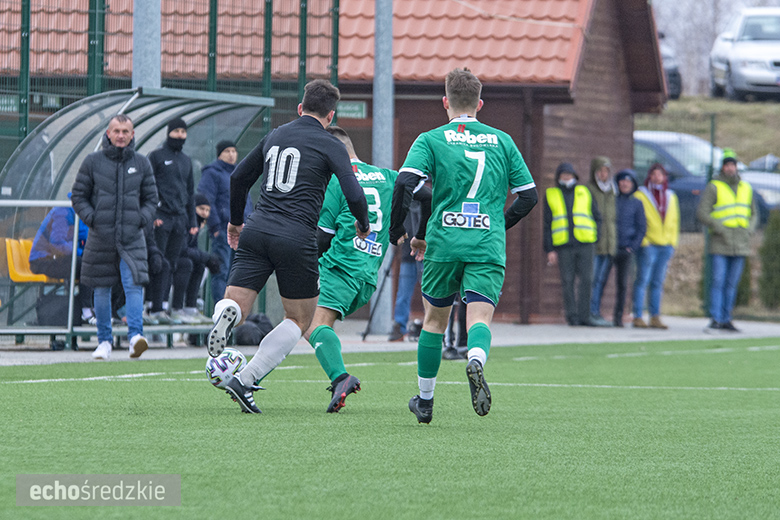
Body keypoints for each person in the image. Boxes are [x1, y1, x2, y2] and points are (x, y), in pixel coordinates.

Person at [207, 79, 371, 414]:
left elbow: (239, 177)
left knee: (238, 305)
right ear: (331, 115)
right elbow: (354, 193)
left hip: (257, 228)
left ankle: (228, 314)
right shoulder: (331, 144)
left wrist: (236, 221)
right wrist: (363, 223)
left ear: (300, 107)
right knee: (299, 319)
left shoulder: (276, 134)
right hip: (296, 237)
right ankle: (247, 378)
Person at [389, 68, 538, 424]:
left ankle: (425, 401)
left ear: (446, 102)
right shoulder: (502, 141)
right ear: (480, 104)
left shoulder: (431, 139)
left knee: (434, 321)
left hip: (444, 242)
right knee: (479, 316)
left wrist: (398, 229)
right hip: (486, 242)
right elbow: (528, 196)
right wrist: (500, 223)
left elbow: (405, 183)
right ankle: (475, 359)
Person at [303, 126, 430, 412]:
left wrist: (305, 264)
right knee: (310, 324)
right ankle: (252, 377)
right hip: (368, 277)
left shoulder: (338, 182)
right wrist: (415, 233)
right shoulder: (389, 176)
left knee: (311, 324)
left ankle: (340, 378)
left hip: (340, 267)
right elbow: (427, 196)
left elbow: (322, 236)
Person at [71, 114, 158, 360]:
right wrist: (93, 219)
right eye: (116, 131)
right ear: (108, 134)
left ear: (133, 135)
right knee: (101, 288)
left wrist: (140, 219)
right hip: (101, 236)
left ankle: (134, 338)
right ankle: (104, 342)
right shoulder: (92, 161)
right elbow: (78, 196)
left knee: (133, 285)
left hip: (133, 237)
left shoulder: (142, 163)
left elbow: (152, 199)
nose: (121, 135)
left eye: (125, 131)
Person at [697, 150, 757, 333]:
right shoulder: (714, 187)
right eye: (727, 165)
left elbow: (754, 213)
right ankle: (716, 317)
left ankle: (726, 318)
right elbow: (702, 212)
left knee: (731, 284)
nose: (730, 168)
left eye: (733, 165)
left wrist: (749, 229)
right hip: (720, 242)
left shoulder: (746, 187)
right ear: (723, 167)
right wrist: (719, 227)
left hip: (740, 243)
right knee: (718, 281)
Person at [146, 117, 198, 323]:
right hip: (161, 218)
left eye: (183, 132)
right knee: (159, 263)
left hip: (180, 220)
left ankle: (165, 307)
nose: (180, 136)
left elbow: (190, 192)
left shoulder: (186, 160)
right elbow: (147, 188)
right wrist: (153, 215)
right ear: (168, 133)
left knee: (174, 263)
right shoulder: (156, 156)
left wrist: (192, 221)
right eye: (176, 131)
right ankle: (152, 305)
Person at [543, 162, 601, 327]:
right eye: (563, 174)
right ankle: (572, 316)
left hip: (585, 242)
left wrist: (596, 238)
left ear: (575, 176)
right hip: (563, 245)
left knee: (587, 280)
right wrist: (550, 249)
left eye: (569, 174)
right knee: (567, 281)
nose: (566, 177)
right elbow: (547, 224)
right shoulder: (551, 194)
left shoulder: (585, 191)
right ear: (558, 176)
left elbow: (597, 216)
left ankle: (585, 315)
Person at [197, 140, 253, 303]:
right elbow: (206, 200)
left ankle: (235, 309)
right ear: (219, 154)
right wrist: (215, 227)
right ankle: (220, 310)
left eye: (234, 151)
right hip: (223, 230)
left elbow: (247, 201)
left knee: (237, 274)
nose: (231, 154)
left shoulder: (240, 172)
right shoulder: (212, 172)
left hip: (243, 231)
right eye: (227, 151)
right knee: (221, 271)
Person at [28, 197, 93, 324]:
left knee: (97, 266)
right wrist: (81, 252)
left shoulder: (84, 215)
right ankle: (86, 310)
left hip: (60, 258)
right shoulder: (63, 211)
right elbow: (57, 244)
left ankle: (91, 309)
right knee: (85, 265)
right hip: (42, 260)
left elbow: (84, 240)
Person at [632, 163, 679, 329]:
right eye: (654, 174)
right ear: (649, 176)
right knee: (642, 280)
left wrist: (672, 242)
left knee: (657, 282)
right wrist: (644, 241)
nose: (657, 177)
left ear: (665, 177)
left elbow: (674, 221)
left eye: (661, 174)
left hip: (665, 245)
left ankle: (655, 316)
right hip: (649, 245)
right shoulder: (641, 195)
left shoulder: (671, 196)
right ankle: (637, 315)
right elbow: (637, 219)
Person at [169, 193, 220, 325]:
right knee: (186, 264)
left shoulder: (196, 224)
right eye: (201, 209)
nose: (204, 213)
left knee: (199, 265)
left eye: (207, 210)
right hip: (171, 259)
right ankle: (177, 308)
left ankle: (190, 307)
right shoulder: (186, 221)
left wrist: (205, 259)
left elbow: (193, 248)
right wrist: (207, 257)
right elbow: (182, 249)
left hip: (180, 258)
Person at [612, 169, 646, 327]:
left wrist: (632, 247)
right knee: (599, 281)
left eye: (628, 181)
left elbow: (641, 228)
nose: (625, 184)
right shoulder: (612, 200)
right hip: (610, 248)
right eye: (622, 181)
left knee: (622, 285)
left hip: (626, 249)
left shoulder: (637, 203)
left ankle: (618, 317)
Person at [586, 156, 616, 327]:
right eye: (601, 171)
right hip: (595, 243)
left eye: (606, 171)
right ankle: (591, 312)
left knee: (600, 281)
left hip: (608, 244)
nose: (604, 174)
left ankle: (596, 311)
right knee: (592, 280)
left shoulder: (612, 190)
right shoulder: (589, 190)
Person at [388, 201, 423, 342]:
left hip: (425, 252)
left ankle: (434, 328)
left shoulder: (427, 196)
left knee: (431, 293)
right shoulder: (405, 200)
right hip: (408, 253)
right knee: (403, 293)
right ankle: (399, 326)